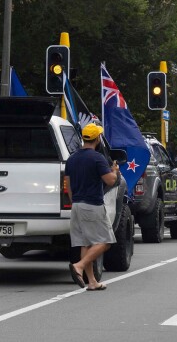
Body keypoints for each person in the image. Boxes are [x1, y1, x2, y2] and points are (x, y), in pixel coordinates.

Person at [65, 123, 120, 291]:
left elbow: (68, 184)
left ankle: (92, 282)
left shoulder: (72, 158)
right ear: (97, 139)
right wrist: (115, 171)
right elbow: (110, 181)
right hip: (93, 205)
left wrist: (75, 201)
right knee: (106, 241)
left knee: (85, 243)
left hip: (77, 205)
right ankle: (79, 266)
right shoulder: (97, 158)